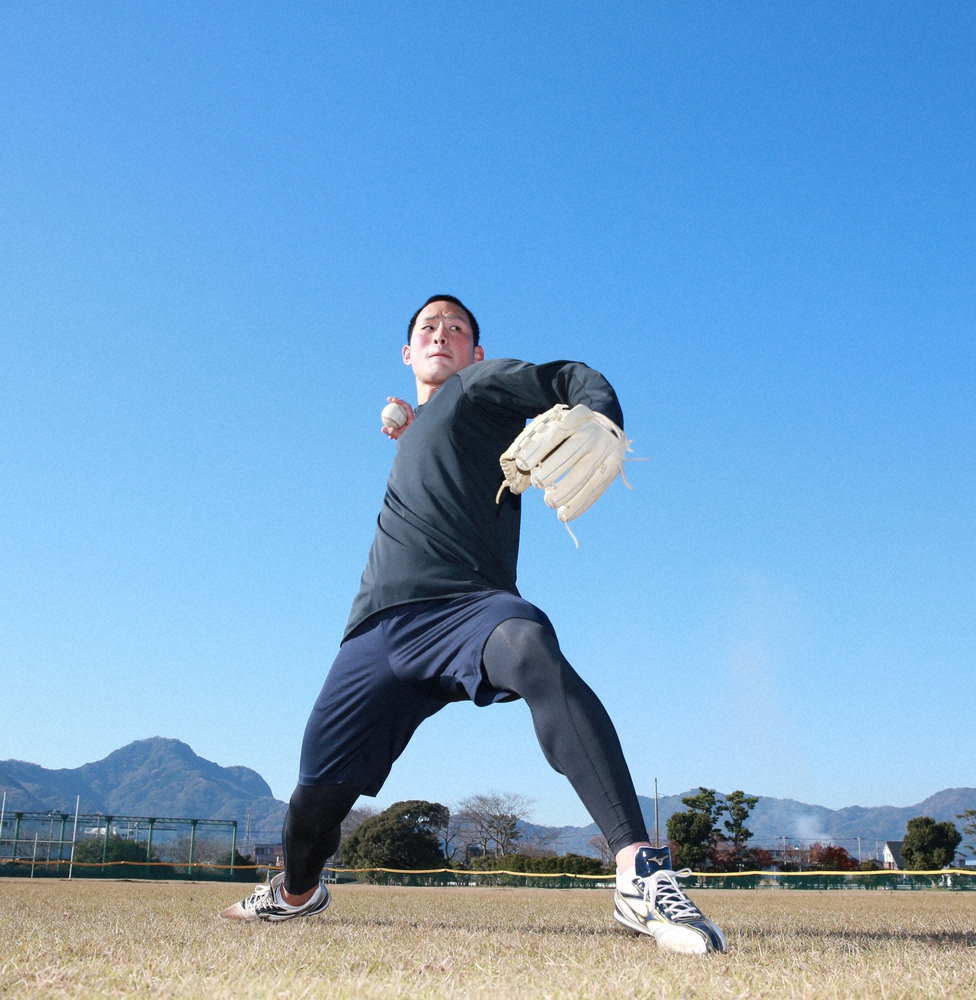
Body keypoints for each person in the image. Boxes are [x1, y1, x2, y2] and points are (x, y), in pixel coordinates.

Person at [221, 295, 726, 954]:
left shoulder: (477, 386)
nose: (442, 333)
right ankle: (295, 892)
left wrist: (600, 412)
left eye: (457, 329)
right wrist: (413, 423)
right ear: (406, 352)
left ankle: (637, 869)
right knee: (313, 799)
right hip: (376, 631)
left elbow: (567, 377)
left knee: (530, 643)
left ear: (476, 353)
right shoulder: (422, 419)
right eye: (427, 327)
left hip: (468, 610)